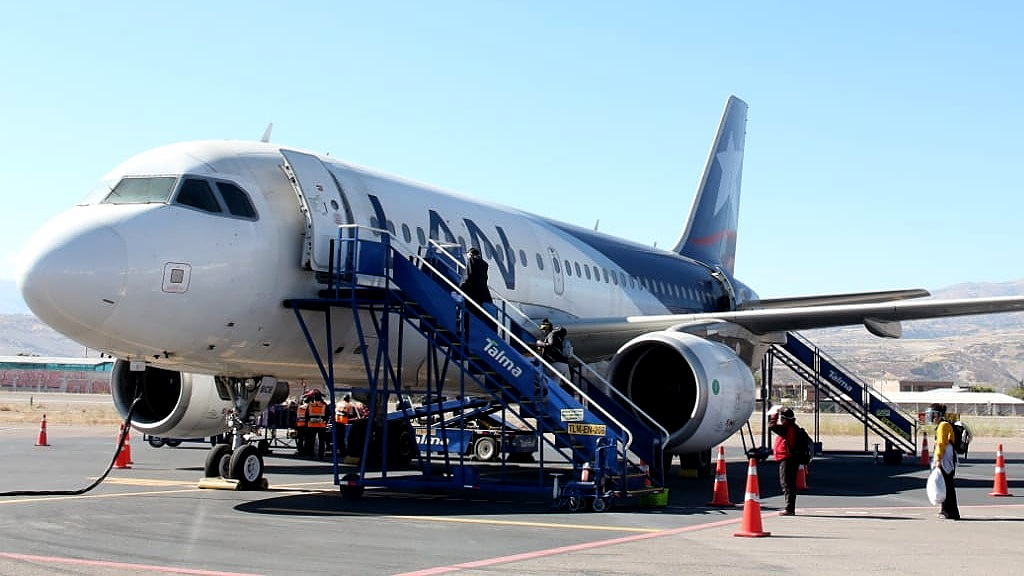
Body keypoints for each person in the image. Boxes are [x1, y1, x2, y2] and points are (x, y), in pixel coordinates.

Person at [929, 403, 960, 520]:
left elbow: (941, 444)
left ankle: (952, 512)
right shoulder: (942, 425)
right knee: (944, 484)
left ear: (937, 415)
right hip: (946, 457)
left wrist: (937, 459)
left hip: (946, 458)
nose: (931, 417)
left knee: (948, 485)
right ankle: (945, 510)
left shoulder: (943, 426)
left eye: (932, 415)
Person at [768, 405, 800, 516]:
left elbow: (772, 426)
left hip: (787, 459)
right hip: (791, 459)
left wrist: (774, 415)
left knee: (787, 484)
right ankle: (790, 507)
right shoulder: (793, 427)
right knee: (789, 483)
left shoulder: (786, 428)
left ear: (784, 419)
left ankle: (789, 508)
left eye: (782, 418)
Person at [458, 247, 496, 333]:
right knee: (478, 319)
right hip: (481, 297)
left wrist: (460, 289)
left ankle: (468, 336)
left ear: (471, 255)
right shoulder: (484, 265)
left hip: (471, 296)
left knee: (468, 318)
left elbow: (468, 276)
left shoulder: (472, 262)